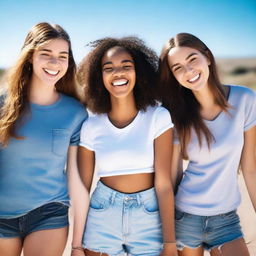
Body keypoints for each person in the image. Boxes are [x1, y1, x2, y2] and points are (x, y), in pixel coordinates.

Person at [73, 37, 178, 256]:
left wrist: (169, 243)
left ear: (139, 72)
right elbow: (81, 190)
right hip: (102, 215)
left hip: (149, 215)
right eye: (108, 68)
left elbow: (164, 184)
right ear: (98, 76)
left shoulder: (158, 117)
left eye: (126, 67)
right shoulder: (91, 125)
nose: (118, 73)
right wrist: (76, 245)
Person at [158, 32, 256, 256]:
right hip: (185, 216)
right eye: (178, 67)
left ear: (207, 57)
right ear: (173, 76)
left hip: (226, 220)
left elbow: (251, 168)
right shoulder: (175, 115)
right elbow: (173, 176)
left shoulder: (245, 99)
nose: (189, 71)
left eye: (192, 59)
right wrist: (168, 238)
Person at [0, 22, 88, 256]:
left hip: (49, 212)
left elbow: (76, 180)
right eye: (45, 54)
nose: (54, 63)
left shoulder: (75, 112)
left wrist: (78, 244)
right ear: (30, 57)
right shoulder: (2, 105)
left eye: (63, 56)